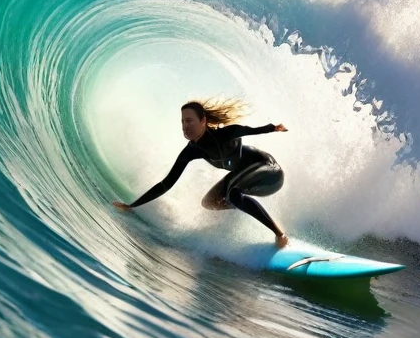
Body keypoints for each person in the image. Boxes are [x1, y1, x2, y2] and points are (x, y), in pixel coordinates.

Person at [113, 99, 289, 246]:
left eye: (189, 121)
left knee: (234, 194)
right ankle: (244, 207)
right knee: (210, 202)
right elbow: (166, 184)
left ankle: (280, 235)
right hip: (243, 176)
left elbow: (251, 130)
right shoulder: (190, 151)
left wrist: (274, 127)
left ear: (203, 121)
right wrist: (132, 205)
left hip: (269, 170)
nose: (184, 126)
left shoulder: (226, 133)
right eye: (182, 122)